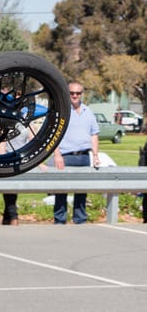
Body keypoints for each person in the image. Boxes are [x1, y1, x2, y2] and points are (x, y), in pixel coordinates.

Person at [52, 82, 99, 224]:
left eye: (78, 93)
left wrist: (95, 155)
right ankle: (60, 219)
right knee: (62, 190)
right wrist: (57, 155)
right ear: (67, 94)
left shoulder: (88, 112)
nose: (75, 96)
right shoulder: (62, 112)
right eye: (72, 93)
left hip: (84, 156)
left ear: (82, 94)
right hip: (66, 156)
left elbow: (94, 134)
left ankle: (80, 219)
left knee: (81, 189)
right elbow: (55, 134)